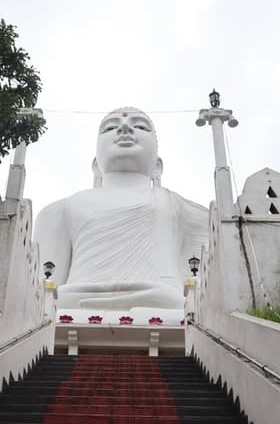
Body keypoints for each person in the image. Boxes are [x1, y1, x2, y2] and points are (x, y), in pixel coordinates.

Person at [34, 107, 208, 311]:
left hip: (163, 300)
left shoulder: (180, 207)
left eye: (140, 126)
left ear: (157, 166)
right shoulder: (60, 209)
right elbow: (44, 288)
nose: (125, 128)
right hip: (76, 300)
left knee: (172, 298)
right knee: (54, 301)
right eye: (110, 128)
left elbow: (204, 280)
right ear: (96, 166)